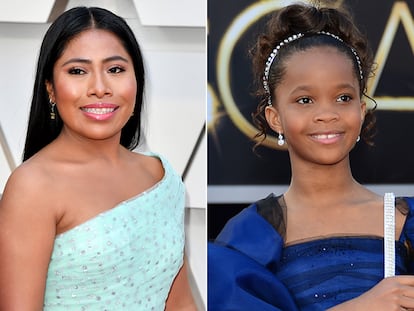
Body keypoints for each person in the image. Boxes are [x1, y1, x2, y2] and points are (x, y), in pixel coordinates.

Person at [208, 3, 414, 311]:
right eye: (305, 100)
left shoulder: (404, 222)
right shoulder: (249, 238)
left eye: (343, 98)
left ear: (361, 109)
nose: (327, 114)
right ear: (275, 117)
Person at [0, 6, 196, 310]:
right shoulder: (33, 187)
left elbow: (181, 302)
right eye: (78, 71)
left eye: (115, 69)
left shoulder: (160, 176)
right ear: (50, 88)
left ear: (137, 80)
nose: (100, 88)